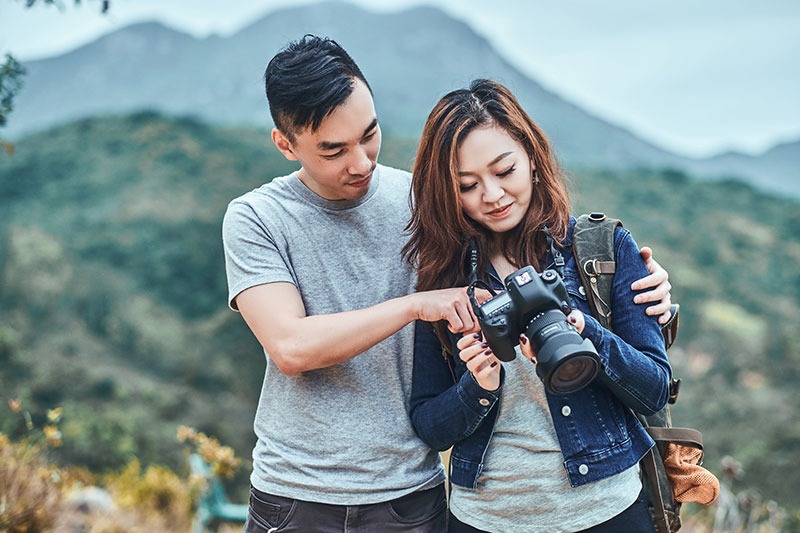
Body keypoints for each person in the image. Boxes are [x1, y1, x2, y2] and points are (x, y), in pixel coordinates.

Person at [222, 35, 672, 533]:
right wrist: (436, 331)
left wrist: (648, 300)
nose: (362, 163)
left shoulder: (427, 205)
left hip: (415, 493)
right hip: (300, 492)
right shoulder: (260, 219)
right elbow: (292, 348)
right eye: (334, 150)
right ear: (285, 144)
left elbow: (650, 375)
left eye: (370, 134)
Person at [403, 78, 671, 533]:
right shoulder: (441, 281)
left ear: (531, 157)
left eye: (504, 171)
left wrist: (583, 331)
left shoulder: (601, 250)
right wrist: (478, 386)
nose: (492, 195)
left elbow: (654, 389)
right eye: (467, 185)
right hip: (484, 519)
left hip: (606, 512)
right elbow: (429, 426)